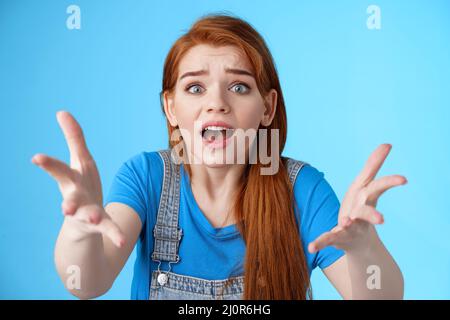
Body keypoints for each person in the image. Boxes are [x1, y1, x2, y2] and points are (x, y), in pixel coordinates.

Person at [31, 14, 406, 300]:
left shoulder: (303, 190)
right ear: (171, 108)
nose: (216, 103)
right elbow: (88, 282)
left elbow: (378, 296)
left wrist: (363, 248)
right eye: (195, 87)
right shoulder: (145, 177)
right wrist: (80, 230)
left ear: (267, 108)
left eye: (239, 86)